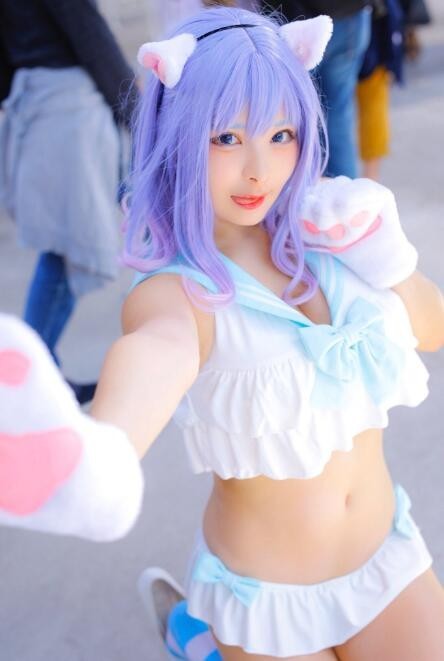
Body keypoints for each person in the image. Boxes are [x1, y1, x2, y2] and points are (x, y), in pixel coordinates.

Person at [1, 5, 443, 660]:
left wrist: (391, 261)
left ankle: (194, 641)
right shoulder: (178, 292)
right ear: (180, 135)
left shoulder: (334, 225)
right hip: (267, 600)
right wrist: (99, 459)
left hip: (388, 562)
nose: (260, 169)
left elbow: (431, 330)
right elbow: (156, 351)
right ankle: (207, 640)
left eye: (281, 133)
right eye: (227, 138)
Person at [0, 0, 138, 403]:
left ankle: (38, 373)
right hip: (69, 112)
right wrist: (140, 116)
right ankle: (26, 378)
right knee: (65, 253)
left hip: (40, 105)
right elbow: (92, 39)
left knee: (63, 250)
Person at [262, 1, 372, 179]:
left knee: (292, 119)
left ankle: (300, 191)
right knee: (337, 117)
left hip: (295, 21)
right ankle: (342, 192)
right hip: (350, 16)